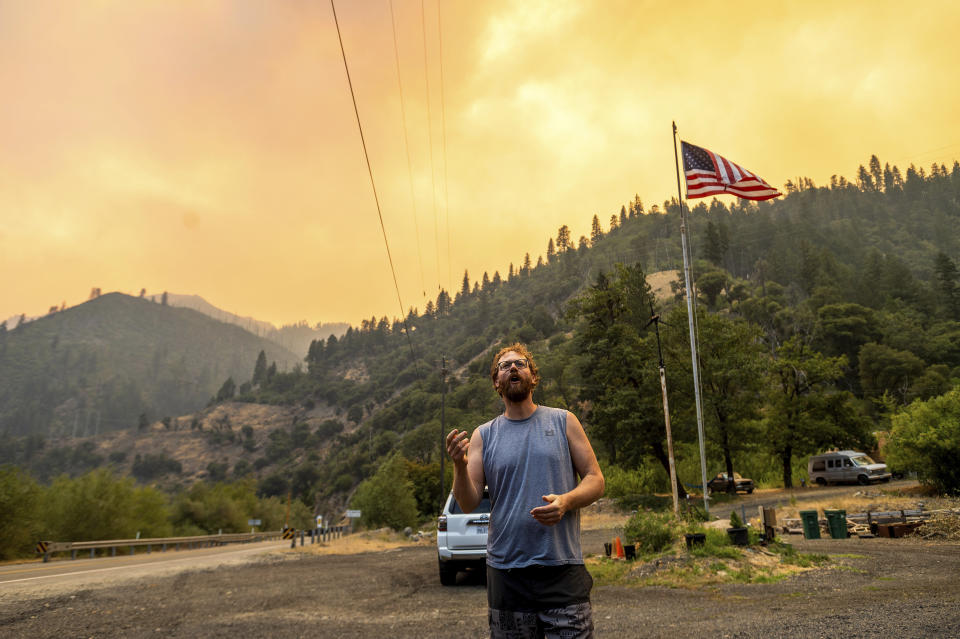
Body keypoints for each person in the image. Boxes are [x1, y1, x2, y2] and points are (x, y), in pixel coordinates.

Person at [446, 343, 605, 639]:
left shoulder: (564, 421)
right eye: (504, 366)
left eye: (520, 363)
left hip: (562, 569)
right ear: (496, 382)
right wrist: (458, 465)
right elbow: (467, 503)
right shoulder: (484, 435)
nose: (513, 368)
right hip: (507, 574)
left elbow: (596, 479)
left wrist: (566, 502)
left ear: (533, 377)